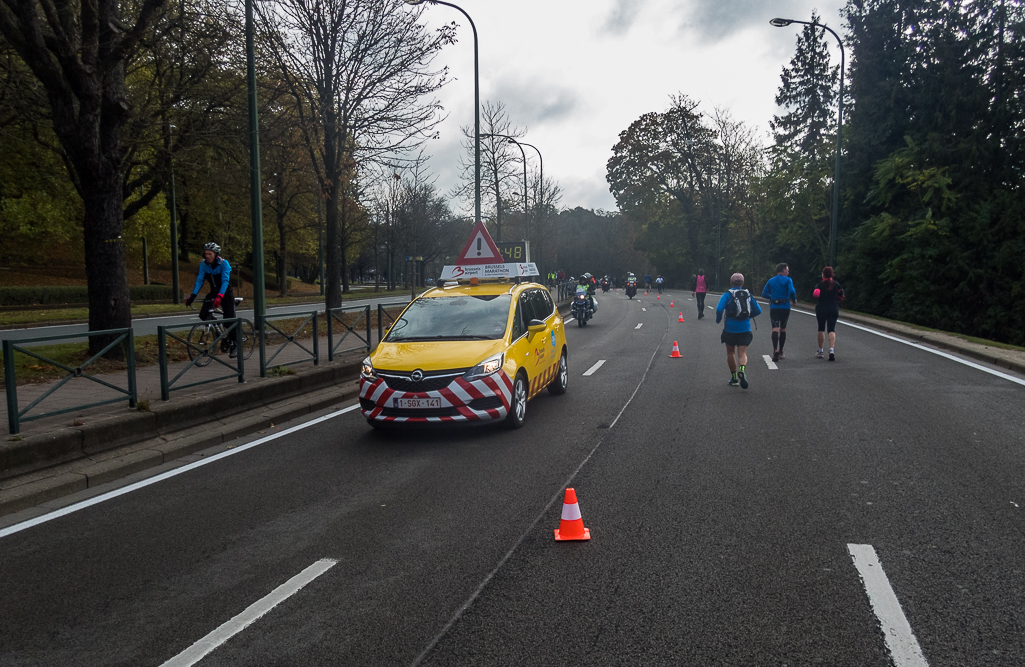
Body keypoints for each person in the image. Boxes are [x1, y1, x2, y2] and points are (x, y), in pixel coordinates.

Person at [186, 242, 238, 356]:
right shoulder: (204, 265)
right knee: (204, 314)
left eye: (210, 254)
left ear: (216, 254)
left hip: (226, 293)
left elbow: (225, 281)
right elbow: (200, 280)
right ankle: (216, 328)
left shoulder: (224, 264)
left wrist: (220, 296)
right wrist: (192, 296)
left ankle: (235, 343)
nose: (207, 256)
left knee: (229, 321)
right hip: (213, 292)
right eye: (206, 254)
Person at [715, 272, 762, 389]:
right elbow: (758, 310)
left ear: (731, 283)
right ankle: (742, 369)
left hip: (730, 329)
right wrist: (747, 317)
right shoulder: (748, 295)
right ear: (743, 283)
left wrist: (718, 319)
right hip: (745, 328)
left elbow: (719, 308)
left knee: (730, 352)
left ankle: (734, 378)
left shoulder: (727, 295)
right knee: (743, 353)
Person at [761, 262, 797, 362]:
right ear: (783, 270)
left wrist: (772, 297)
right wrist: (793, 300)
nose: (788, 272)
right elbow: (792, 291)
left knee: (775, 328)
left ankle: (774, 349)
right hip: (785, 306)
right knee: (783, 329)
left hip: (774, 306)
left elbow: (764, 294)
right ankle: (781, 350)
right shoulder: (788, 280)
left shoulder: (771, 281)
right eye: (787, 270)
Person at [813, 266, 844, 361]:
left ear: (823, 274)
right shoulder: (836, 285)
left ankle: (821, 350)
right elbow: (842, 296)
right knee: (831, 329)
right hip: (833, 308)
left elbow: (815, 294)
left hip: (822, 308)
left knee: (821, 328)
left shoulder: (820, 285)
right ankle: (831, 350)